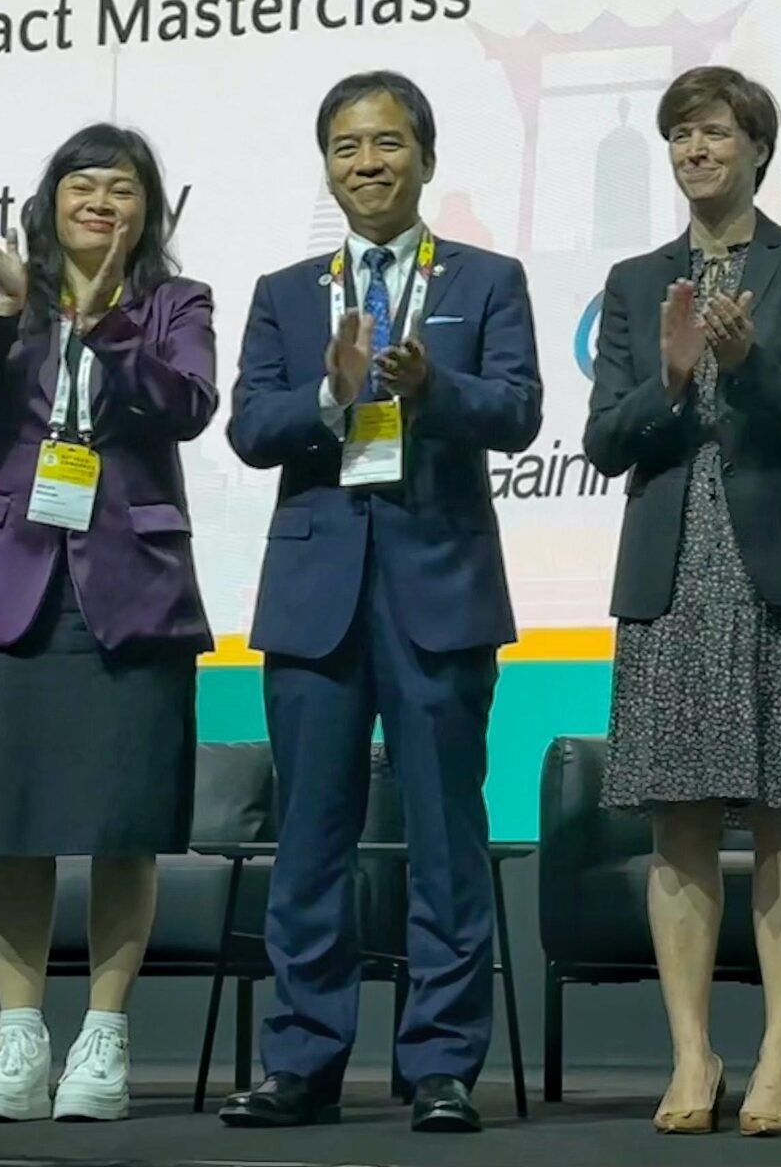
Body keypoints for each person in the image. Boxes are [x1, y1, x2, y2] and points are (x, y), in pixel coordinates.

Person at [216, 71, 542, 1135]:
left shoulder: (486, 279)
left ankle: (440, 1065)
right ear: (327, 168)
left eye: (388, 143)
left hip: (440, 588)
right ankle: (301, 1062)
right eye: (348, 147)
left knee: (446, 836)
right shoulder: (284, 292)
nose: (368, 163)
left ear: (426, 158)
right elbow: (249, 429)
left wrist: (428, 389)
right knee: (310, 837)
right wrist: (332, 395)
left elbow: (519, 411)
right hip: (316, 595)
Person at [582, 65, 781, 1139]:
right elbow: (601, 441)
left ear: (757, 146)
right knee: (681, 822)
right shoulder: (634, 280)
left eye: (712, 133)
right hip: (674, 565)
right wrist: (668, 381)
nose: (694, 151)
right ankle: (692, 1053)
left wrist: (748, 368)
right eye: (679, 136)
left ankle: (780, 1055)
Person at [0, 122, 218, 1124]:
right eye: (82, 185)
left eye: (122, 188)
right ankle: (17, 1037)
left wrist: (103, 324)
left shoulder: (176, 303)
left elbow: (187, 405)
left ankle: (104, 1034)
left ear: (149, 210)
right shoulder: (15, 299)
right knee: (9, 823)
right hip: (19, 587)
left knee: (121, 824)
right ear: (50, 202)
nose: (101, 201)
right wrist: (9, 307)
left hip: (134, 591)